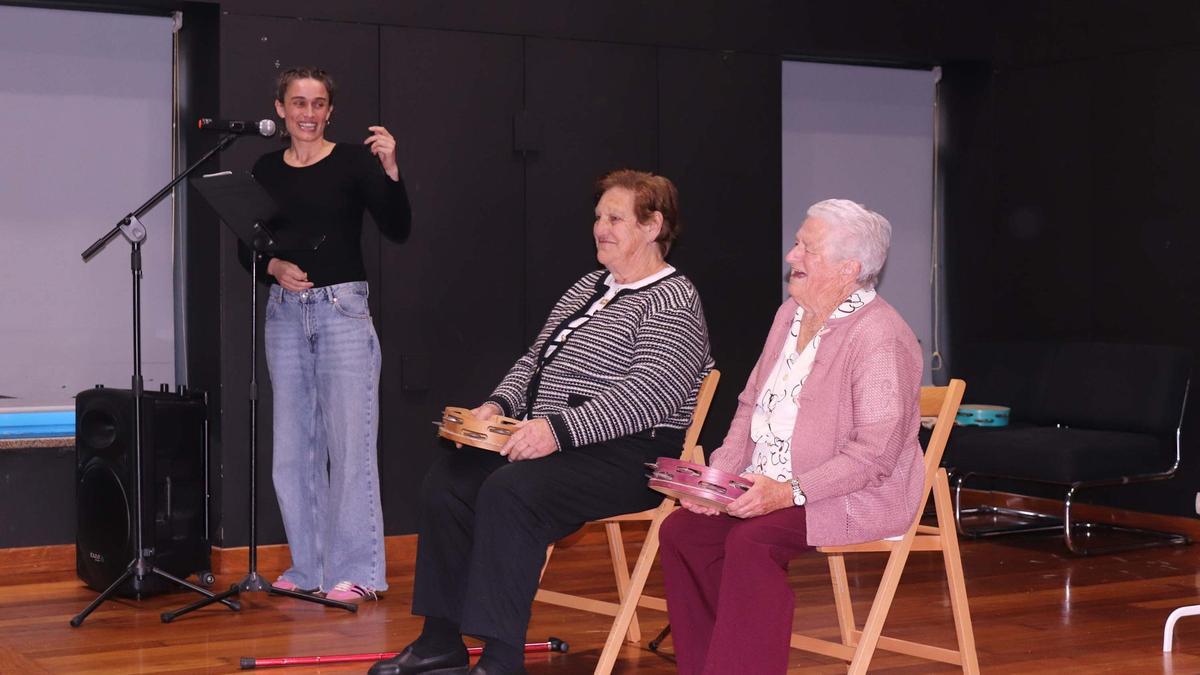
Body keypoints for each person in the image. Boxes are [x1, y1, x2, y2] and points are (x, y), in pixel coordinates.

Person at [370, 169, 713, 675]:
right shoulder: (587, 287)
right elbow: (535, 360)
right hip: (553, 442)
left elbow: (650, 395)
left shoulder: (674, 300)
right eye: (598, 217)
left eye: (615, 218)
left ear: (652, 225)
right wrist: (498, 407)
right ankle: (440, 639)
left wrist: (558, 431)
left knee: (512, 491)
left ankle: (503, 657)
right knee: (449, 481)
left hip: (630, 456)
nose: (601, 228)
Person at [657, 198, 925, 674]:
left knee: (751, 542)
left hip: (852, 494)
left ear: (849, 269)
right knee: (684, 531)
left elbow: (874, 455)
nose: (791, 256)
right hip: (767, 486)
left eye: (807, 248)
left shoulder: (881, 336)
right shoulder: (790, 315)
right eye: (797, 243)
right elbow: (749, 404)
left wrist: (790, 492)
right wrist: (716, 481)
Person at [249, 66, 411, 602]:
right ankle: (310, 567)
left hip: (342, 312)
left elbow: (398, 226)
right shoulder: (265, 169)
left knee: (350, 448)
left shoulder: (353, 163)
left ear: (330, 111)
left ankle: (358, 572)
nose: (309, 114)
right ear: (280, 109)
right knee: (293, 451)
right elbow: (246, 248)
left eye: (319, 104)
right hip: (285, 315)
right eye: (298, 103)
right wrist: (273, 267)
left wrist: (389, 169)